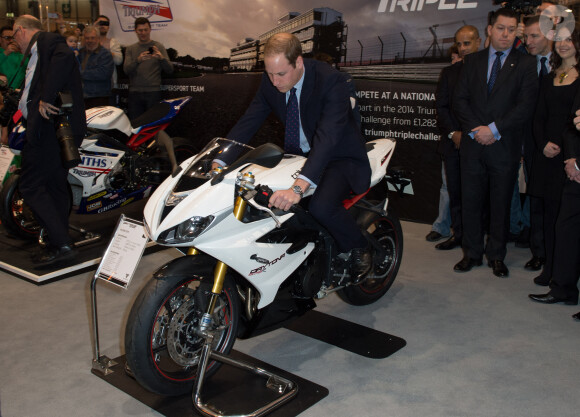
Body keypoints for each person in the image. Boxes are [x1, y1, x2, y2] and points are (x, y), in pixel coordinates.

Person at [222, 33, 373, 279]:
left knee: (321, 207)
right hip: (298, 156)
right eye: (270, 74)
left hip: (339, 156)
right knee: (263, 199)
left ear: (299, 62)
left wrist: (299, 187)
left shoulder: (330, 81)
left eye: (281, 74)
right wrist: (220, 159)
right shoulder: (270, 80)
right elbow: (249, 121)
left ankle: (359, 247)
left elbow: (327, 138)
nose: (274, 81)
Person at [453, 8, 538, 278]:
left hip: (504, 146)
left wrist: (493, 129)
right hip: (473, 144)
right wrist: (477, 131)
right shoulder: (473, 61)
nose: (506, 34)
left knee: (501, 204)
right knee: (472, 202)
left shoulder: (525, 64)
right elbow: (460, 100)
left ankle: (497, 256)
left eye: (512, 30)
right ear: (489, 29)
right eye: (501, 28)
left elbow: (525, 106)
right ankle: (472, 253)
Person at [12, 15, 86, 265]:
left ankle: (62, 242)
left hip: (49, 131)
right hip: (53, 130)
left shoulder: (46, 40)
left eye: (14, 37)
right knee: (55, 186)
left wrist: (46, 96)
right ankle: (60, 242)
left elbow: (65, 57)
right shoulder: (38, 52)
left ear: (21, 31)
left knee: (30, 185)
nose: (15, 43)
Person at [432, 25, 481, 251]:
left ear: (479, 42)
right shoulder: (449, 73)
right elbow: (441, 107)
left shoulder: (492, 73)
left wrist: (471, 133)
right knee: (456, 193)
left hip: (483, 143)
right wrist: (454, 133)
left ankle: (480, 241)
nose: (462, 49)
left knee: (481, 195)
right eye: (459, 44)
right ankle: (458, 235)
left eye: (467, 43)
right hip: (454, 144)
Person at [518, 15, 554, 271]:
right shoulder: (523, 65)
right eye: (526, 36)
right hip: (532, 143)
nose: (528, 41)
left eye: (534, 36)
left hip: (564, 144)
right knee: (537, 198)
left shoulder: (567, 64)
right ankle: (540, 251)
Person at [123, 17, 173, 120]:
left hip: (153, 93)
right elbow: (126, 70)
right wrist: (138, 60)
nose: (143, 33)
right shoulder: (130, 49)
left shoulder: (158, 46)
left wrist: (161, 59)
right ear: (135, 31)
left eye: (145, 30)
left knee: (153, 125)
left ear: (150, 29)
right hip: (135, 94)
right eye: (140, 30)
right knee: (135, 125)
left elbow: (170, 70)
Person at [78, 26, 114, 108]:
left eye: (92, 38)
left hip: (99, 97)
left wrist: (80, 73)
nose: (89, 41)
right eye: (87, 38)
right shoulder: (80, 53)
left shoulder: (105, 54)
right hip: (82, 96)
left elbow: (104, 74)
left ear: (98, 39)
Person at [94, 15, 123, 88]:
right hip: (92, 82)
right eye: (100, 23)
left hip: (109, 83)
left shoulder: (113, 42)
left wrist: (106, 52)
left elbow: (119, 61)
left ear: (108, 28)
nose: (102, 25)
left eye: (105, 23)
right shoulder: (90, 42)